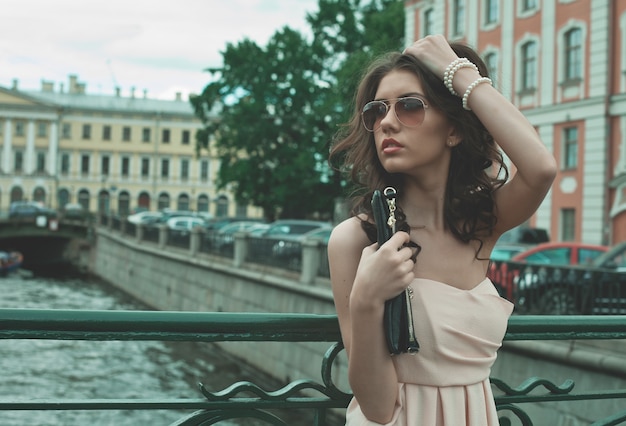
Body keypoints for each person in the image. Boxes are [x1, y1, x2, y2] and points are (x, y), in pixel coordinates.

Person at [327, 35, 557, 425]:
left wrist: (459, 74)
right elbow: (378, 408)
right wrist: (366, 299)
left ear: (454, 131)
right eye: (377, 110)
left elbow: (542, 168)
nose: (386, 122)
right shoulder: (357, 240)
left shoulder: (482, 224)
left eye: (410, 106)